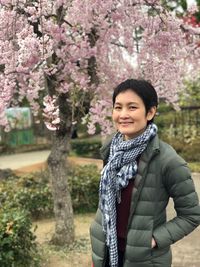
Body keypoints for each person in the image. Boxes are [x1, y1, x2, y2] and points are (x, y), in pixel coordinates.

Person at [90, 79, 200, 267]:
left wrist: (154, 239)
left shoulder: (168, 161)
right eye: (118, 107)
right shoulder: (111, 151)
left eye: (132, 107)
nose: (123, 115)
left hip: (145, 259)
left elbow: (191, 215)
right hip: (107, 252)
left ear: (150, 112)